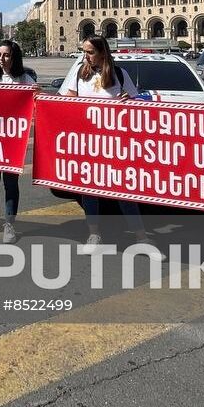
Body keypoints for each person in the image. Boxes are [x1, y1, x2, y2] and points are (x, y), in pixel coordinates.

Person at [59, 35, 155, 254]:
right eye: (84, 51)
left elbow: (139, 102)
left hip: (115, 144)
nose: (86, 56)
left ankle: (141, 237)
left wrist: (130, 102)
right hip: (87, 142)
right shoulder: (78, 74)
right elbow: (65, 102)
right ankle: (94, 234)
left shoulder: (120, 74)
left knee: (123, 191)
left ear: (103, 52)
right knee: (89, 190)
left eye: (90, 52)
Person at [0, 40, 36, 243]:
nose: (2, 59)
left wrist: (39, 95)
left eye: (7, 55)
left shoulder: (24, 79)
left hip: (13, 142)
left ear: (14, 57)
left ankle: (10, 223)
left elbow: (39, 103)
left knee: (11, 184)